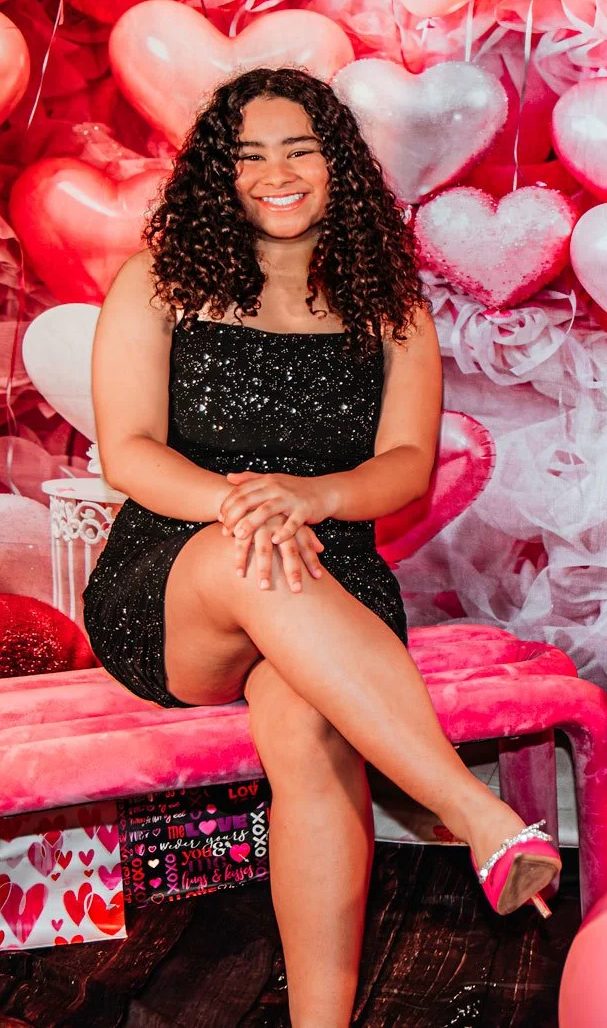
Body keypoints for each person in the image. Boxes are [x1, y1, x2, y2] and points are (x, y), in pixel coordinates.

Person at [83, 66, 560, 1027]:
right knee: (244, 556)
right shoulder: (159, 280)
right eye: (249, 154)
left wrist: (313, 496)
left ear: (336, 164)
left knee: (305, 727)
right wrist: (241, 504)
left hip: (330, 573)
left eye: (299, 148)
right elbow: (127, 451)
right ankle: (476, 816)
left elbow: (406, 464)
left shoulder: (388, 300)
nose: (276, 172)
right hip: (175, 579)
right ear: (219, 176)